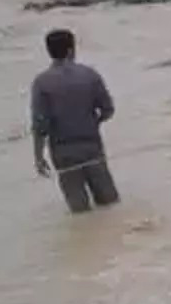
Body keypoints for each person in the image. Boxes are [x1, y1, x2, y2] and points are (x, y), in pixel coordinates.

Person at [30, 28, 120, 214]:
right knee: (110, 204)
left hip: (62, 151)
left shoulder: (41, 83)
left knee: (79, 211)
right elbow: (108, 110)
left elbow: (40, 125)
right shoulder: (89, 75)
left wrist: (38, 157)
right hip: (91, 145)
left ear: (49, 51)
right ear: (71, 50)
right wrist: (93, 122)